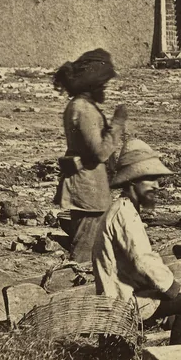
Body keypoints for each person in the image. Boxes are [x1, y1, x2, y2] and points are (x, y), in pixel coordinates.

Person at [94, 138, 181, 344]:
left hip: (122, 294)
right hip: (123, 301)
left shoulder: (123, 209)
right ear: (133, 181)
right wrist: (171, 288)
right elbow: (142, 260)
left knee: (177, 298)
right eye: (150, 179)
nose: (156, 185)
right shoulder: (124, 215)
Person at [52, 49, 127, 263]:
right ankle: (68, 295)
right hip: (88, 192)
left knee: (94, 251)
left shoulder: (81, 106)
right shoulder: (84, 110)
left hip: (89, 189)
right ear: (91, 86)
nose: (104, 90)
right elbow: (101, 152)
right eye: (102, 85)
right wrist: (118, 123)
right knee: (84, 254)